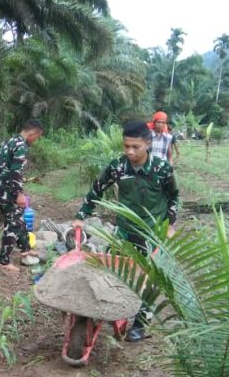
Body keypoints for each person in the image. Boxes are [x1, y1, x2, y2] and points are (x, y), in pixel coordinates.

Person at [72, 120, 179, 342]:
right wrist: (81, 216)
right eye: (126, 146)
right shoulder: (118, 166)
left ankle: (140, 322)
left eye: (135, 147)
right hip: (125, 229)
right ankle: (113, 308)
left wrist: (171, 225)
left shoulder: (162, 169)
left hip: (152, 231)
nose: (129, 151)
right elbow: (97, 189)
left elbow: (173, 197)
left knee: (149, 277)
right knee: (114, 271)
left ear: (148, 144)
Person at [0, 119, 45, 272]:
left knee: (18, 218)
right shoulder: (21, 146)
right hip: (8, 192)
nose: (36, 140)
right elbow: (15, 172)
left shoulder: (8, 142)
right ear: (33, 133)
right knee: (13, 223)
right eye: (37, 137)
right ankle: (3, 260)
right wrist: (19, 194)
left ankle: (25, 248)